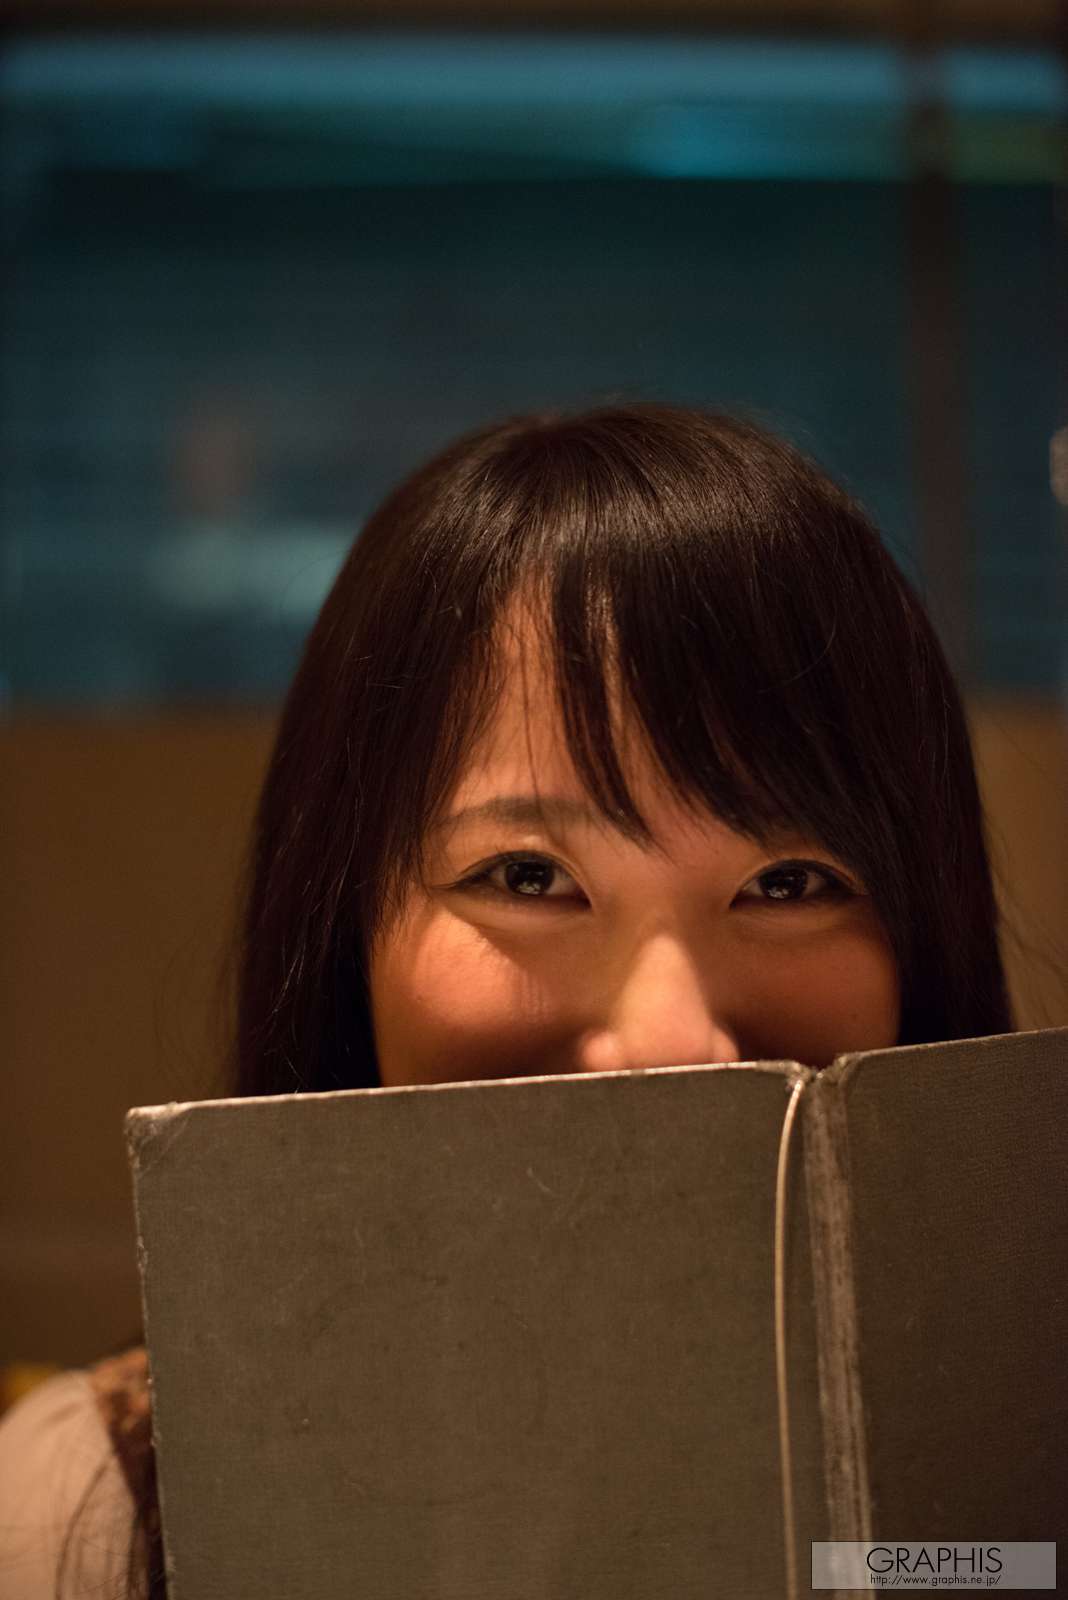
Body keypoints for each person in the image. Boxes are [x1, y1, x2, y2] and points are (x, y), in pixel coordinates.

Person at [0, 403, 1015, 1598]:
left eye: (787, 883)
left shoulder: (1015, 1484)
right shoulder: (87, 1520)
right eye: (528, 876)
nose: (671, 1044)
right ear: (343, 930)